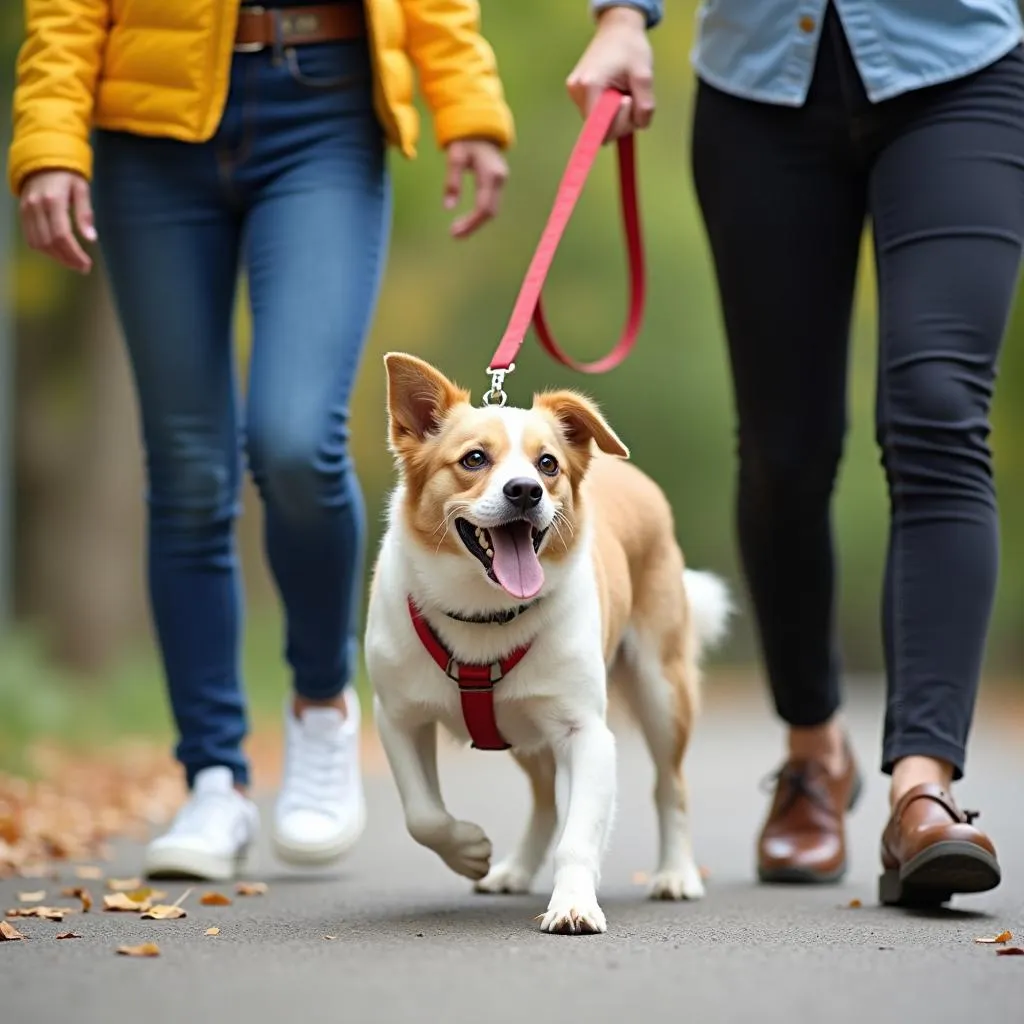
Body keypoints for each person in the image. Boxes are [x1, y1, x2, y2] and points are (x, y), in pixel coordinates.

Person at [9, 0, 512, 881]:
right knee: (190, 470)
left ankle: (322, 711)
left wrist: (468, 107)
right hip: (147, 126)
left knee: (294, 441)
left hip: (325, 107)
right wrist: (49, 139)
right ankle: (213, 776)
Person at [569, 0, 1021, 904]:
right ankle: (814, 751)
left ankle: (921, 790)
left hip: (963, 67)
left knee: (938, 412)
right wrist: (623, 16)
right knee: (785, 452)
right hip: (759, 85)